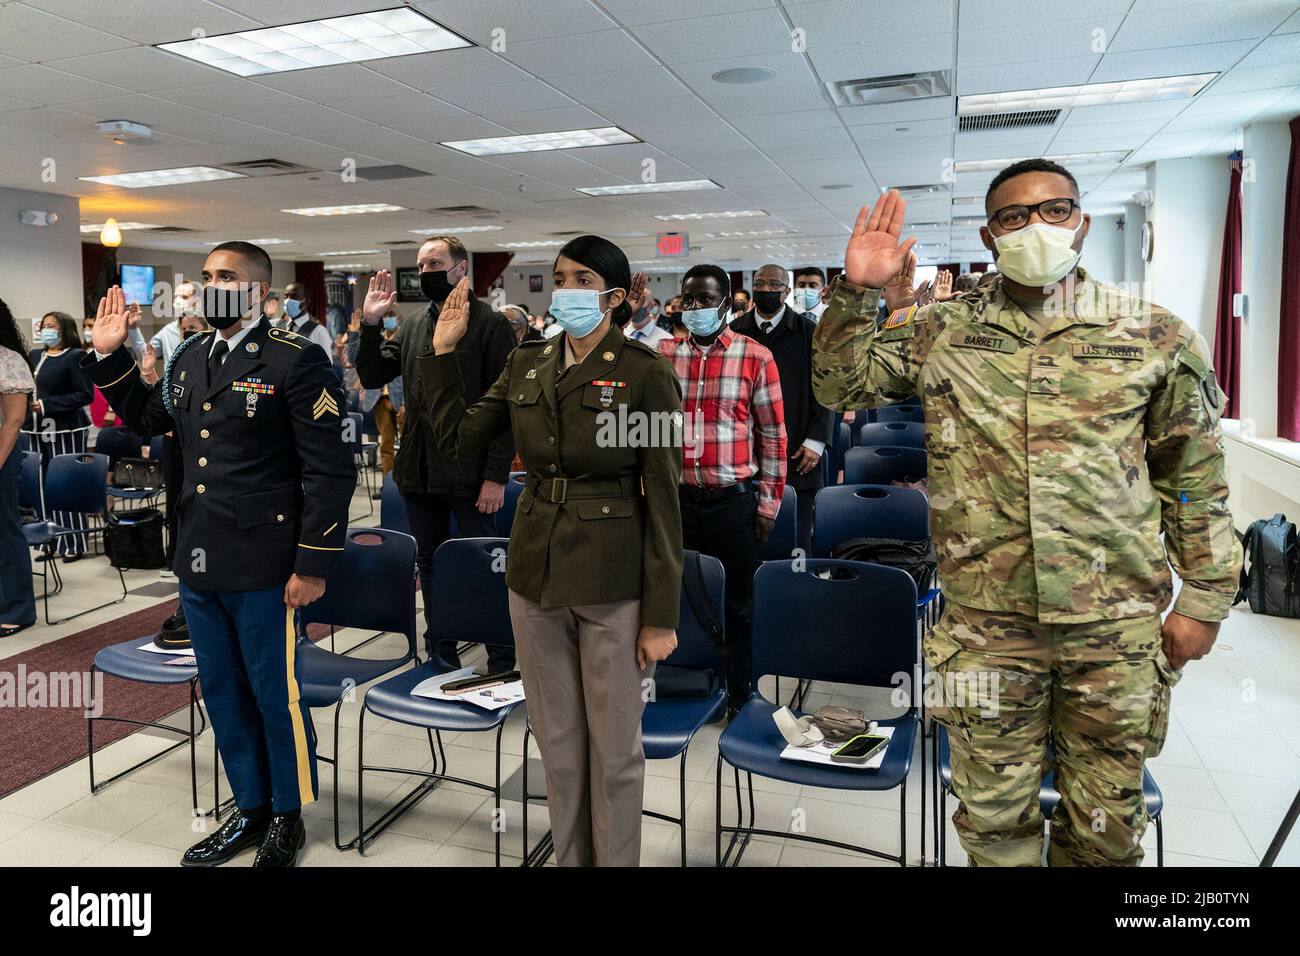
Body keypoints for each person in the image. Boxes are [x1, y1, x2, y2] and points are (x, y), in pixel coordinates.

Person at [811, 161, 1242, 867]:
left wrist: (1205, 599)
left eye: (1054, 209)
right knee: (993, 832)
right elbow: (840, 385)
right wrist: (858, 293)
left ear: (1082, 222)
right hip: (987, 630)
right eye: (1014, 216)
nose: (1035, 226)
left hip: (1113, 631)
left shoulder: (1154, 335)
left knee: (1103, 837)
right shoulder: (941, 330)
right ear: (989, 234)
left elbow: (1193, 479)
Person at [84, 241, 354, 867]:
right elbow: (151, 419)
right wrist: (109, 355)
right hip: (198, 553)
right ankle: (250, 809)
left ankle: (288, 815)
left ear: (260, 291)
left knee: (271, 692)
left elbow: (330, 469)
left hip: (265, 560)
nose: (212, 286)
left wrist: (312, 563)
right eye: (206, 276)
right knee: (223, 691)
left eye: (225, 277)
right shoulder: (190, 356)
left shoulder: (296, 359)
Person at [421, 234, 683, 866]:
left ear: (614, 297)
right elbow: (458, 438)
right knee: (559, 746)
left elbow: (664, 496)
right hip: (535, 571)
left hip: (614, 578)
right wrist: (442, 356)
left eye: (581, 280)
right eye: (560, 278)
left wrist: (662, 615)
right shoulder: (528, 362)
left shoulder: (645, 373)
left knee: (615, 751)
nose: (566, 290)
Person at [356, 236, 516, 672]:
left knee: (480, 563)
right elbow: (372, 373)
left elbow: (507, 410)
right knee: (429, 562)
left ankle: (501, 652)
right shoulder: (411, 324)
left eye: (435, 263)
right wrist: (370, 324)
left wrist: (496, 475)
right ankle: (440, 645)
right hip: (419, 469)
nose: (424, 272)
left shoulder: (490, 325)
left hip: (471, 471)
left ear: (461, 269)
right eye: (420, 264)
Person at [661, 264, 786, 716]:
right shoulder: (664, 355)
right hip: (676, 502)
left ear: (728, 303)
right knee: (679, 599)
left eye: (705, 300)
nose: (694, 309)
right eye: (687, 300)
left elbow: (773, 436)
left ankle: (739, 691)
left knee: (737, 604)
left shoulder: (755, 356)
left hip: (733, 502)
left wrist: (769, 505)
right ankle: (692, 684)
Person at [732, 263, 832, 556]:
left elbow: (825, 388)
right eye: (759, 284)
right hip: (744, 450)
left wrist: (816, 441)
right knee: (746, 541)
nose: (765, 290)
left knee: (794, 541)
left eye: (774, 285)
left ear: (786, 291)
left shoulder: (808, 332)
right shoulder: (736, 331)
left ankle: (796, 593)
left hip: (797, 447)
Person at [26, 310, 93, 560]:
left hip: (65, 426)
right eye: (44, 325)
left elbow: (85, 394)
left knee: (64, 482)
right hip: (34, 426)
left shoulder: (76, 356)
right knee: (39, 484)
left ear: (64, 329)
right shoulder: (35, 355)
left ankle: (72, 541)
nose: (46, 329)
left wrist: (45, 405)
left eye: (51, 326)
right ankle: (48, 540)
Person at [0, 297, 36, 636]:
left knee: (3, 530)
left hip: (2, 453)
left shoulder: (8, 360)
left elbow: (13, 422)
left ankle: (17, 609)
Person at [347, 306, 404, 492]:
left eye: (392, 316)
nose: (388, 319)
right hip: (379, 399)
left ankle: (407, 484)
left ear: (398, 318)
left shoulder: (404, 336)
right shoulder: (375, 337)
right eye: (386, 316)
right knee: (386, 445)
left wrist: (407, 402)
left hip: (402, 400)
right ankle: (389, 485)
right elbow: (355, 358)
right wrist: (355, 333)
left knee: (408, 444)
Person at [151, 280, 201, 367]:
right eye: (176, 297)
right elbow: (146, 356)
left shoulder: (209, 329)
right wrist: (134, 329)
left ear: (197, 301)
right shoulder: (168, 330)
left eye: (184, 297)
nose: (178, 301)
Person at [281, 282, 335, 358]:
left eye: (294, 297)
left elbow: (326, 365)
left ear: (306, 302)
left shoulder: (319, 331)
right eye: (286, 296)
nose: (288, 301)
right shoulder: (277, 326)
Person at [622, 274, 672, 348]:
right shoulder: (620, 334)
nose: (634, 305)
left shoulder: (666, 339)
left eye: (640, 301)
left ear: (651, 306)